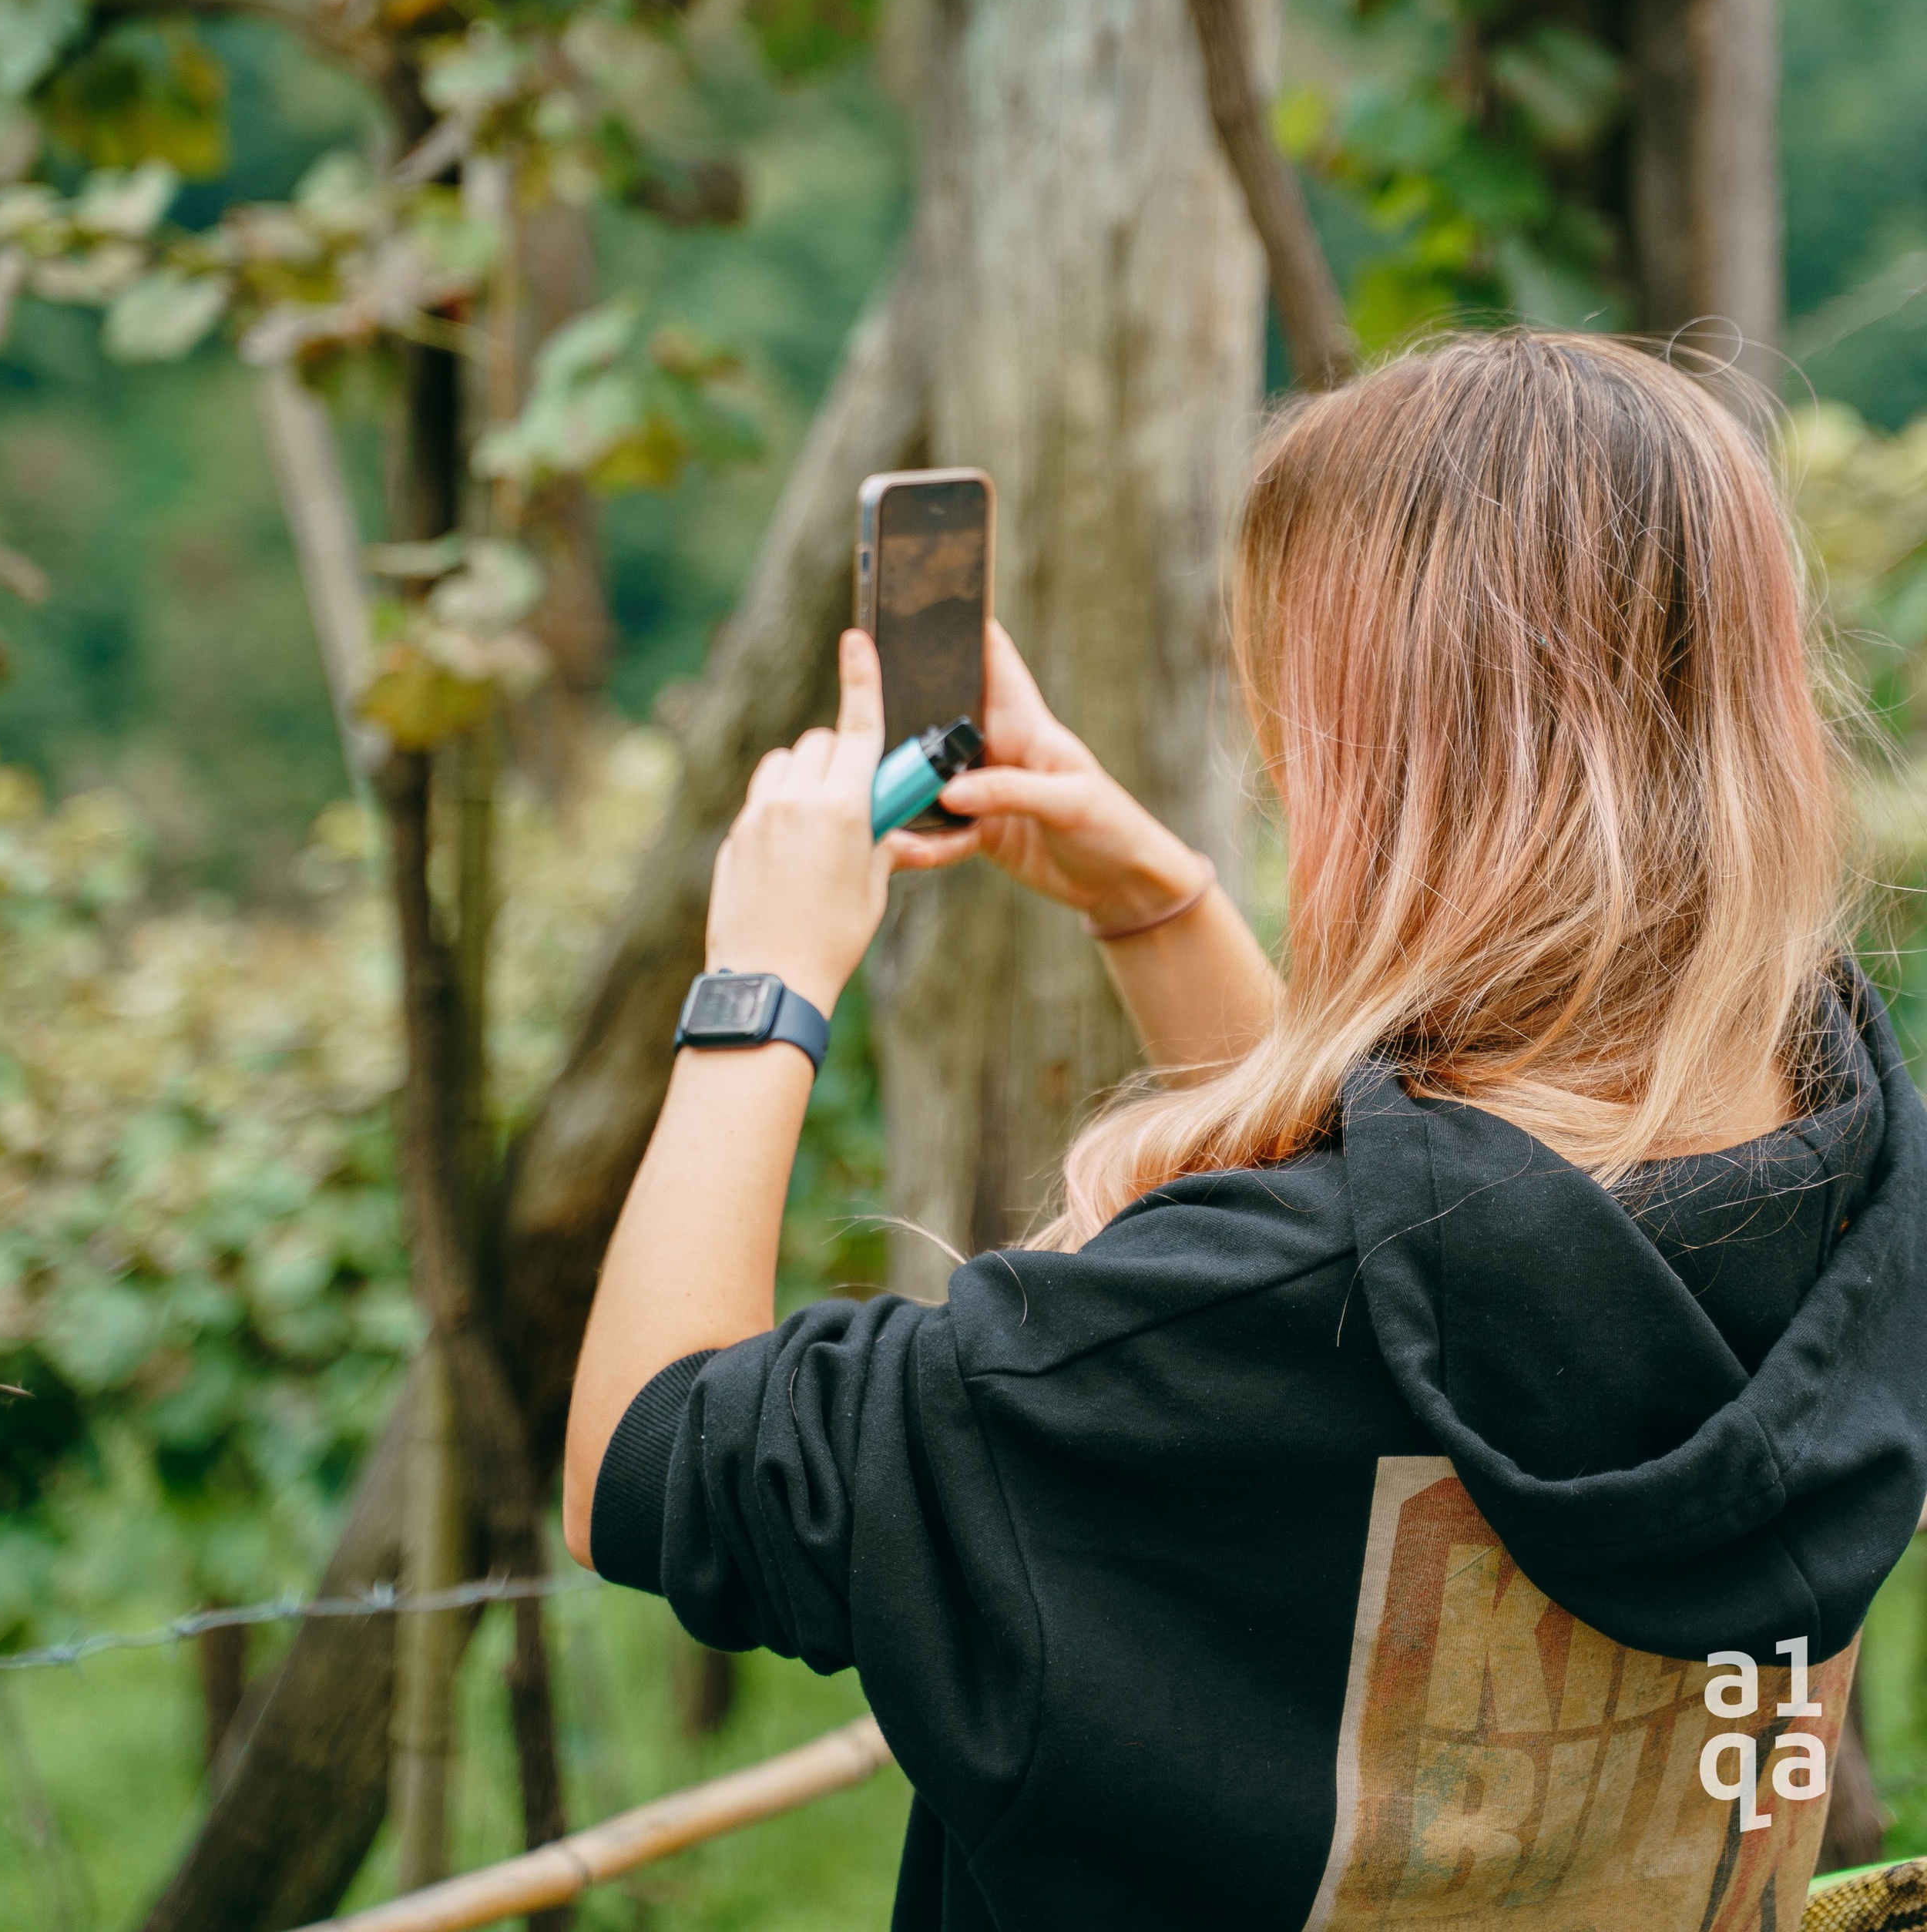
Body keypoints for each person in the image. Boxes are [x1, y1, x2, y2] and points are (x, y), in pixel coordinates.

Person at [562, 332, 1927, 1932]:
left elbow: (648, 1465)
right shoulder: (1852, 1163)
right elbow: (1448, 1264)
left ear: (1386, 755)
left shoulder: (1185, 1341)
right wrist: (1158, 907)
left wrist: (761, 978)